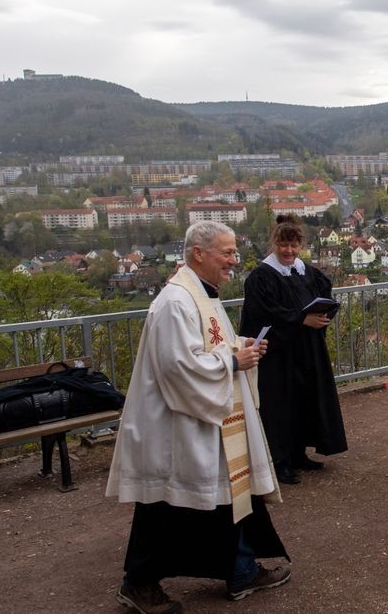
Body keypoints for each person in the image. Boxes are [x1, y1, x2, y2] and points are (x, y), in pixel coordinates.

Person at [106, 221, 291, 613]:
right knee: (165, 506)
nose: (233, 261)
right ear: (198, 253)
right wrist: (232, 360)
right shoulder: (176, 301)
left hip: (208, 420)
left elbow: (210, 346)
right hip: (177, 425)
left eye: (234, 252)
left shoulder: (202, 295)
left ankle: (241, 570)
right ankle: (137, 584)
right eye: (226, 252)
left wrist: (241, 348)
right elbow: (178, 367)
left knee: (229, 498)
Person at [240, 214, 347, 485]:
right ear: (274, 244)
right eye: (283, 245)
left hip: (306, 350)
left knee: (304, 399)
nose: (288, 251)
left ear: (300, 245)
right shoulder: (261, 277)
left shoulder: (305, 271)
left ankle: (299, 453)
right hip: (278, 353)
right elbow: (265, 313)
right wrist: (301, 319)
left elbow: (320, 295)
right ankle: (280, 461)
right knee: (280, 405)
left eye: (294, 245)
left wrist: (321, 315)